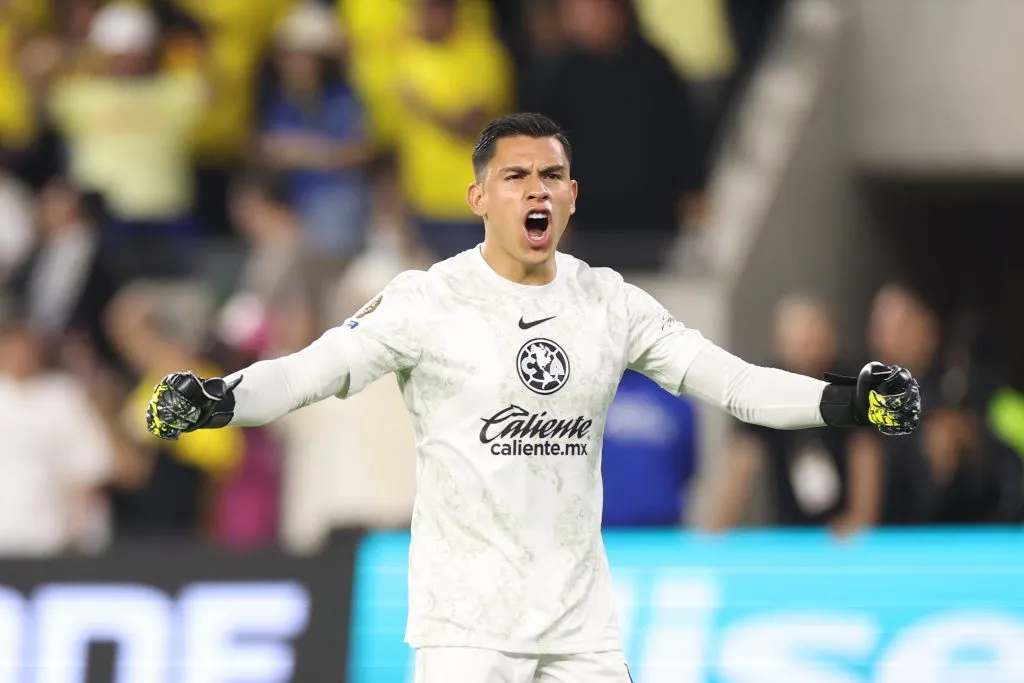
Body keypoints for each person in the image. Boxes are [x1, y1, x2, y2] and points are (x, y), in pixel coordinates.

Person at [142, 113, 921, 683]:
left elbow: (736, 383)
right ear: (479, 196)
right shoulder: (426, 300)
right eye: (515, 176)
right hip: (466, 631)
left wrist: (849, 401)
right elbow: (307, 370)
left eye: (550, 176)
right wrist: (216, 399)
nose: (534, 190)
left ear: (572, 196)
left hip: (581, 628)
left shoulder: (611, 303)